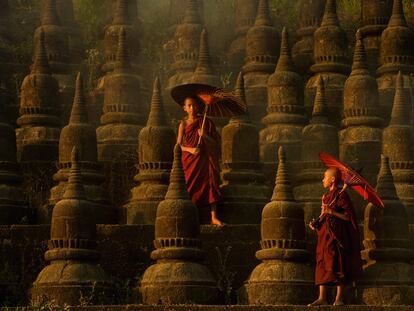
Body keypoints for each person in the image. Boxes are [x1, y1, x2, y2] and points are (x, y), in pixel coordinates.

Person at [308, 167, 362, 306]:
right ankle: (322, 298)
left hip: (337, 235)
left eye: (325, 177)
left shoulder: (342, 195)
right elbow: (323, 214)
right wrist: (316, 222)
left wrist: (332, 211)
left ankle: (339, 298)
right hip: (325, 234)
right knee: (322, 262)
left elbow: (347, 217)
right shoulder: (326, 197)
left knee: (338, 262)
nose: (322, 180)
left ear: (332, 179)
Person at [176, 96, 225, 226]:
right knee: (189, 185)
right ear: (184, 108)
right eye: (189, 106)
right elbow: (178, 146)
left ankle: (214, 217)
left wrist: (205, 136)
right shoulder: (183, 124)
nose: (192, 108)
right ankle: (191, 215)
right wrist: (191, 150)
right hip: (189, 159)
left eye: (195, 106)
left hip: (205, 158)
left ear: (199, 107)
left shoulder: (206, 122)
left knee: (211, 183)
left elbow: (216, 143)